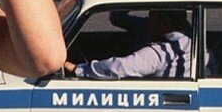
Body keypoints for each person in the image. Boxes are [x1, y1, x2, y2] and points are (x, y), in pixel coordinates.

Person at [64, 10, 210, 79]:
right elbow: (117, 18)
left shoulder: (161, 52)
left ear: (165, 22)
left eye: (151, 16)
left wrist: (78, 69)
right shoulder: (198, 44)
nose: (147, 19)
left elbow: (118, 68)